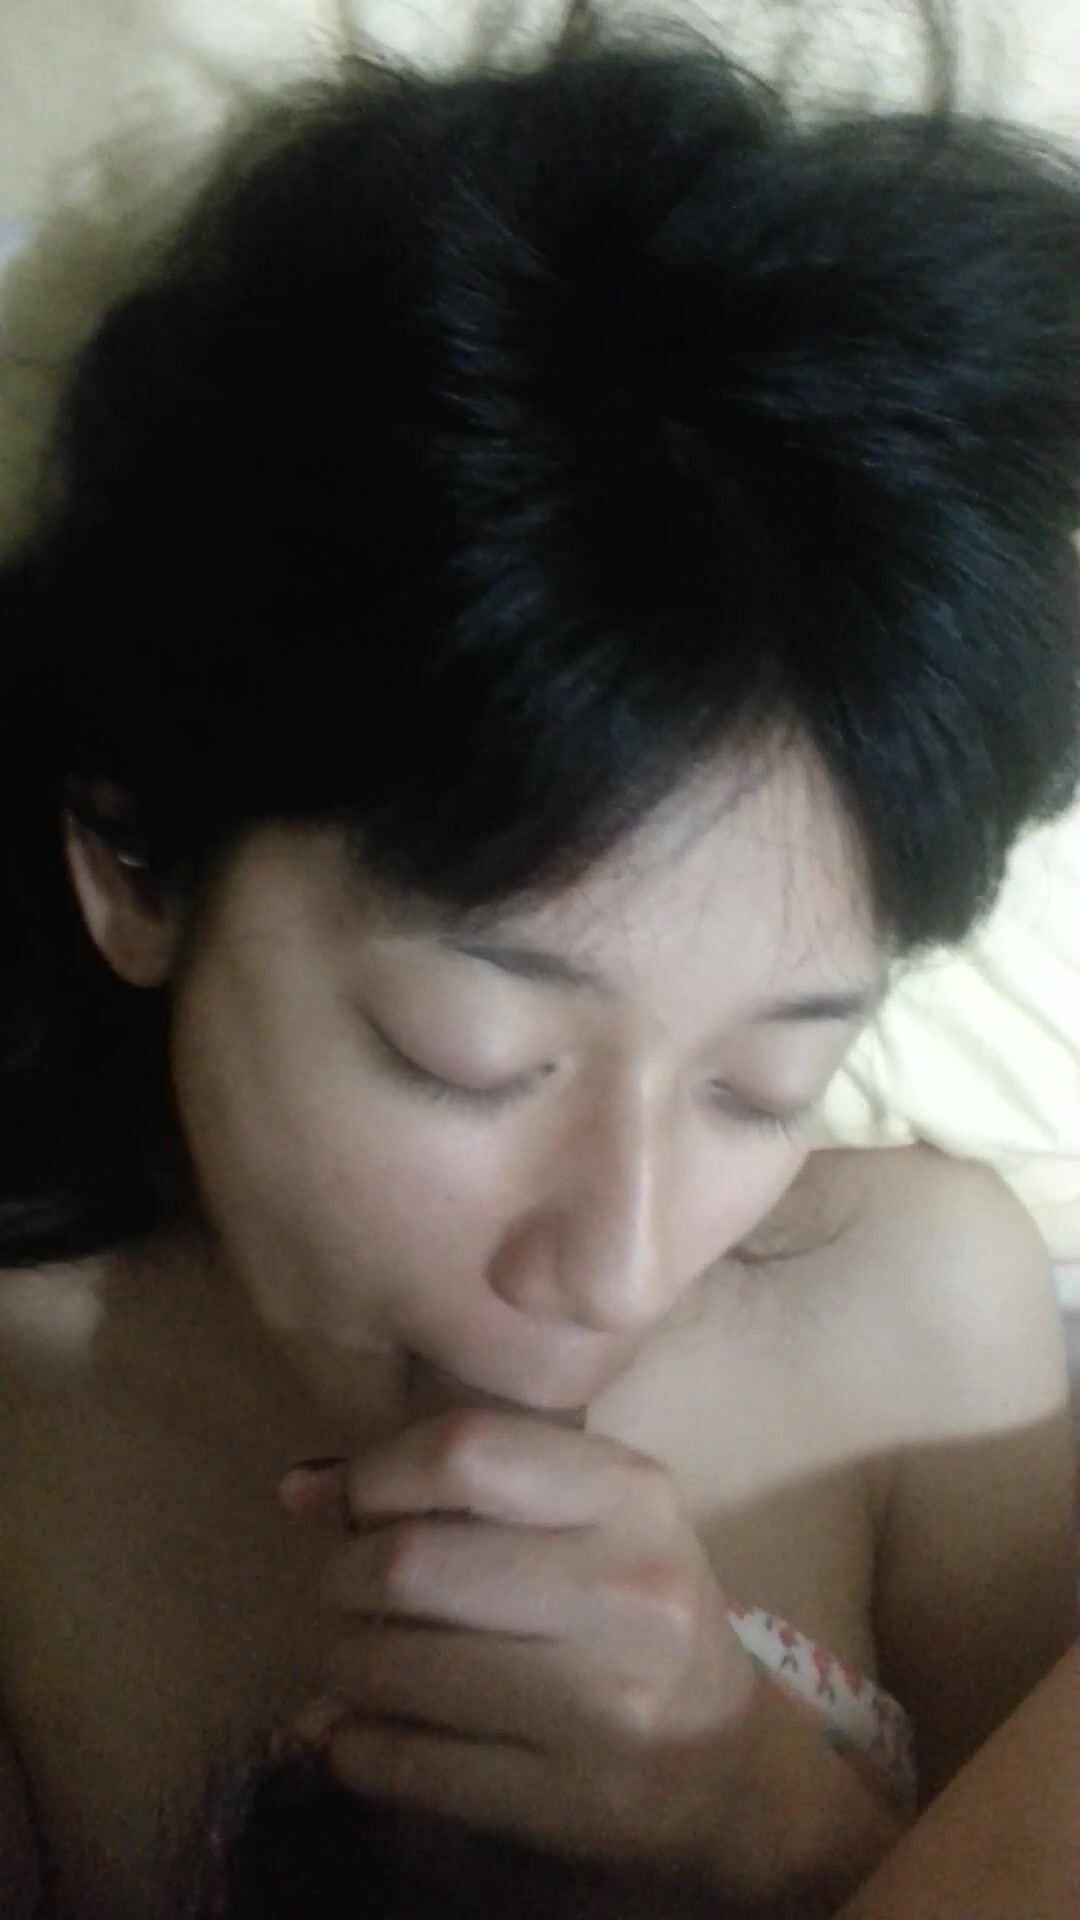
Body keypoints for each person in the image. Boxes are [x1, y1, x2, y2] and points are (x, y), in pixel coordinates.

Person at [0, 13, 1078, 1918]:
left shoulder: (932, 1333)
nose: (621, 1260)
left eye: (761, 1082)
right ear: (137, 861)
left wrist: (771, 1823)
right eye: (469, 1056)